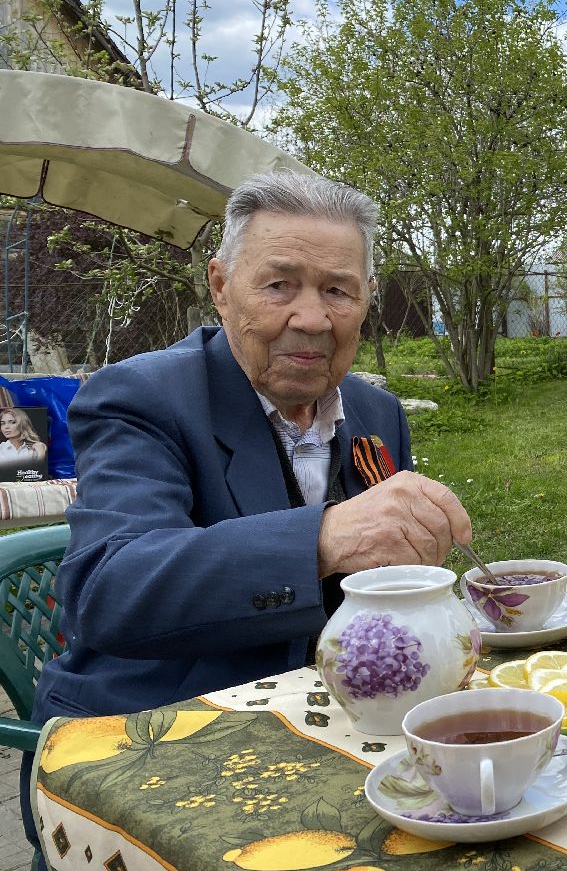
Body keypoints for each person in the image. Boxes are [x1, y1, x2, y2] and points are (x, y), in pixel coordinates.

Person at [34, 171, 473, 723]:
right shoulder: (140, 397)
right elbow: (110, 591)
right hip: (157, 728)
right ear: (221, 286)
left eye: (338, 290)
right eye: (279, 285)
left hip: (337, 714)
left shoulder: (375, 412)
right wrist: (324, 538)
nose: (312, 319)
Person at [0, 407, 48, 477]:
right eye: (3, 423)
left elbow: (38, 475)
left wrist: (41, 454)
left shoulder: (34, 449)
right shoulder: (1, 449)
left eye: (12, 422)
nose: (6, 427)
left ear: (23, 424)